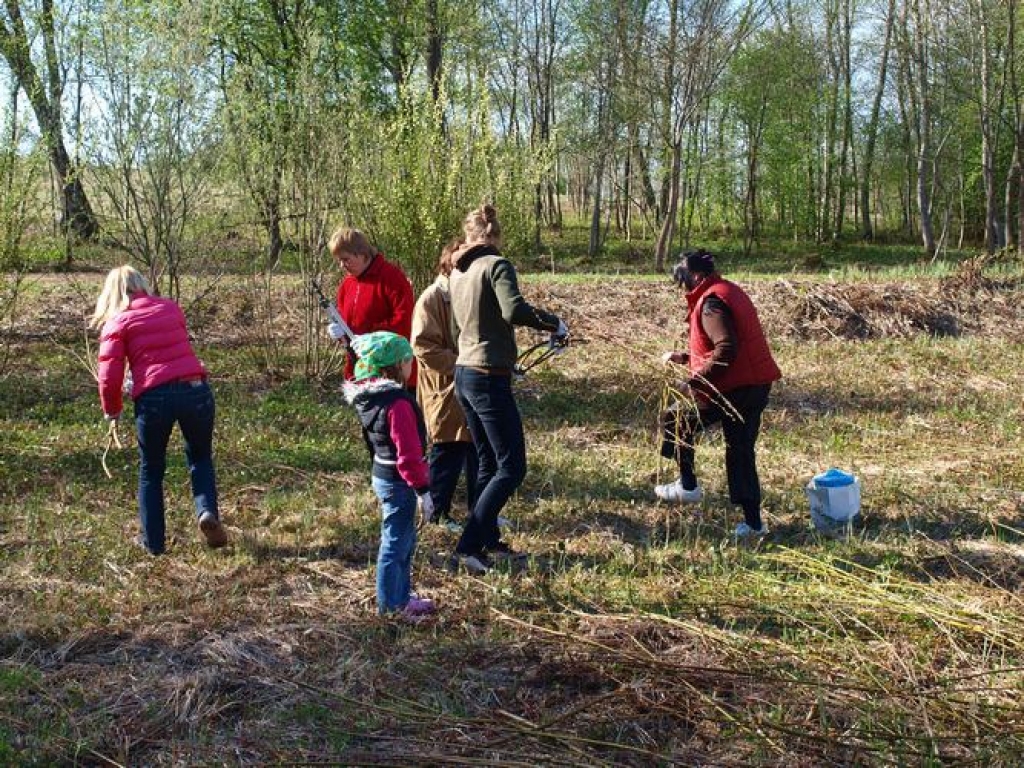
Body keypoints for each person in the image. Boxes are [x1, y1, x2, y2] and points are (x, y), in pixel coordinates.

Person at [448, 204, 567, 573]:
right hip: (486, 377)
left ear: (470, 236)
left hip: (465, 373)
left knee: (486, 462)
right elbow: (513, 311)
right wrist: (554, 323)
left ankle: (485, 541)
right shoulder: (497, 265)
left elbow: (470, 326)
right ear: (495, 236)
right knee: (511, 467)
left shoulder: (458, 271)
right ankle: (467, 547)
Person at [90, 265, 227, 555]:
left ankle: (153, 543)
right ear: (141, 285)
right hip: (195, 389)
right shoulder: (170, 308)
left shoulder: (117, 322)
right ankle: (206, 512)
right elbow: (171, 351)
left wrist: (112, 411)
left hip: (154, 398)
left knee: (151, 470)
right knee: (200, 458)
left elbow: (108, 376)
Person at [656, 249, 782, 539]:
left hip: (736, 389)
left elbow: (726, 349)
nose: (682, 284)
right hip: (752, 384)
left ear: (696, 275)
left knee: (682, 421)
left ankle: (692, 489)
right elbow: (726, 346)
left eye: (683, 277)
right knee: (733, 447)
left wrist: (696, 381)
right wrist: (687, 358)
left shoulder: (711, 303)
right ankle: (748, 521)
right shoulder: (725, 291)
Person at [344, 331, 436, 619]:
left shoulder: (370, 397)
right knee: (396, 542)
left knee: (405, 539)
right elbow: (408, 454)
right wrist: (423, 491)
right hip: (399, 482)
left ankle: (401, 596)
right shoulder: (397, 405)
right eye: (408, 360)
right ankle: (390, 606)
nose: (412, 365)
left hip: (383, 475)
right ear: (395, 366)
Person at [411, 238, 479, 534]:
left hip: (472, 385)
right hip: (444, 387)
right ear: (448, 263)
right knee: (447, 449)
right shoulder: (432, 298)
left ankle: (481, 512)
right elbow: (423, 347)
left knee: (478, 448)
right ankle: (437, 513)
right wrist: (462, 362)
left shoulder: (470, 294)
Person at [327, 227, 417, 389]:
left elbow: (404, 323)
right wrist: (340, 331)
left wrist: (371, 340)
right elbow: (347, 322)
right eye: (339, 261)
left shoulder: (392, 278)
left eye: (346, 259)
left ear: (361, 254)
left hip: (390, 373)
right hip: (359, 371)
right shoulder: (347, 285)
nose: (342, 265)